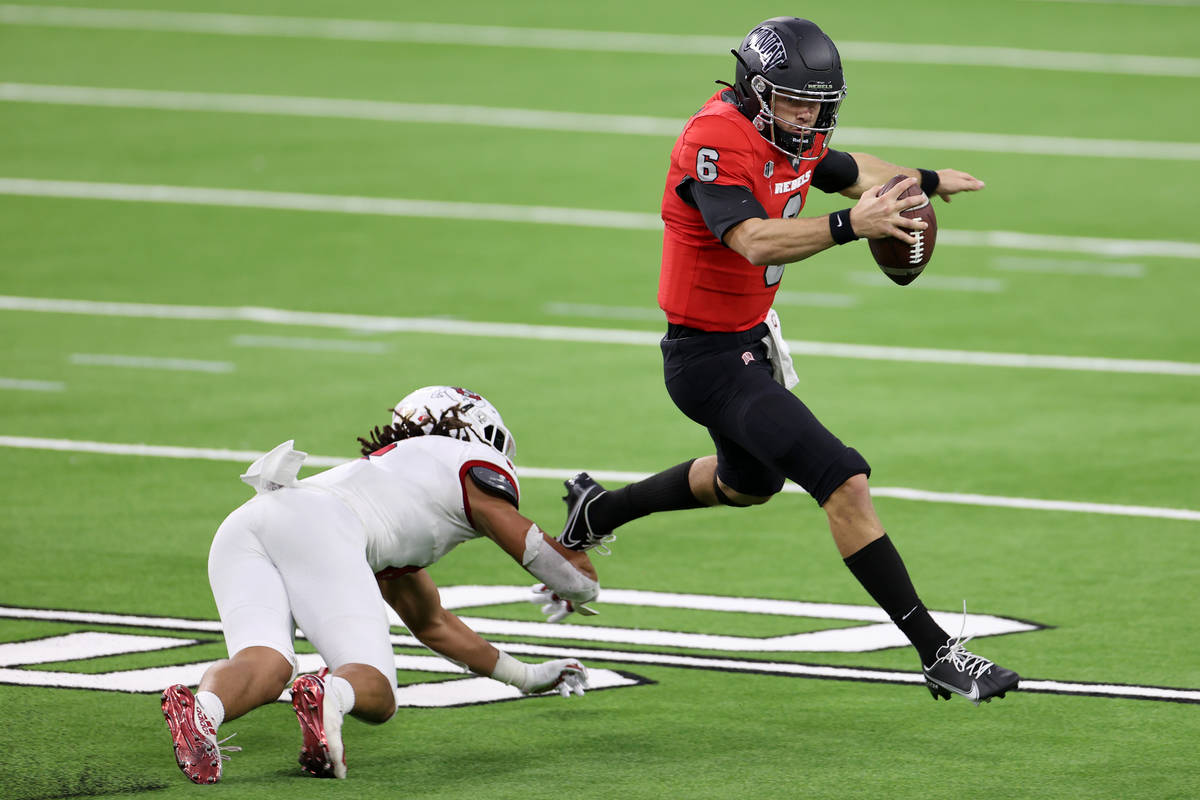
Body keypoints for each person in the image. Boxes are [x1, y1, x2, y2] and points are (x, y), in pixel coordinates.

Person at [557, 17, 1018, 705]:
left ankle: (597, 512)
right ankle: (936, 650)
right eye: (796, 102)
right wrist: (847, 226)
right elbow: (753, 240)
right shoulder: (714, 139)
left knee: (748, 485)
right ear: (754, 88)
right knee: (844, 481)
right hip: (707, 360)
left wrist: (920, 180)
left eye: (818, 105)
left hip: (749, 343)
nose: (808, 118)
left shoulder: (791, 133)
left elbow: (849, 171)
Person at [161, 385, 599, 784]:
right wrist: (582, 569)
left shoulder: (390, 486)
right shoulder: (464, 465)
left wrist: (526, 677)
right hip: (321, 527)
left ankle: (202, 712)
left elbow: (432, 623)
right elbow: (546, 558)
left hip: (248, 521)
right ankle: (327, 693)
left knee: (266, 662)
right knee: (377, 690)